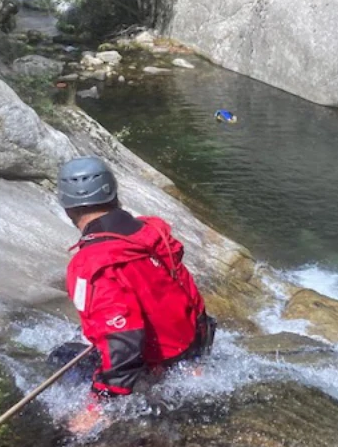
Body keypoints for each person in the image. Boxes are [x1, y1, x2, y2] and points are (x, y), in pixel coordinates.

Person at [52, 156, 216, 420]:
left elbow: (123, 342)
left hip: (151, 366)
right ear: (113, 193)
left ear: (67, 207)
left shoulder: (91, 264)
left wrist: (97, 406)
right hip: (189, 351)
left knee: (59, 357)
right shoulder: (150, 233)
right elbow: (190, 298)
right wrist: (195, 358)